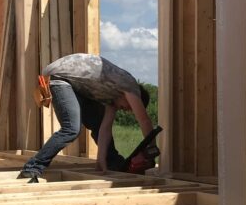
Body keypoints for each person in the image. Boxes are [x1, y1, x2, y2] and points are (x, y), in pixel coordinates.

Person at [18, 53, 153, 179]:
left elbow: (104, 129)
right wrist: (152, 148)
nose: (123, 109)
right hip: (60, 77)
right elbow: (144, 120)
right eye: (128, 107)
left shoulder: (112, 99)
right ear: (135, 97)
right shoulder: (130, 86)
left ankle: (113, 163)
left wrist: (101, 159)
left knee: (98, 123)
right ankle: (33, 167)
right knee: (71, 128)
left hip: (78, 87)